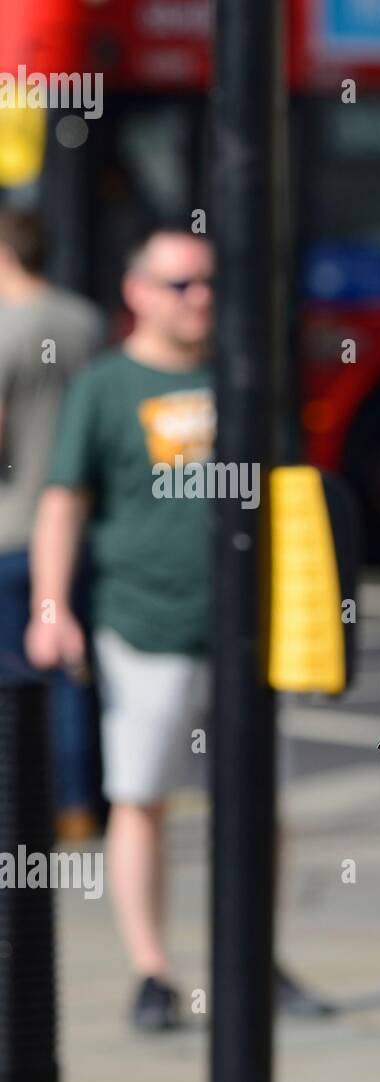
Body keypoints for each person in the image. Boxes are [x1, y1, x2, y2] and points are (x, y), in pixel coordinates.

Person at [26, 224, 333, 1030]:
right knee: (141, 799)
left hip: (249, 634)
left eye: (208, 282)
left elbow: (290, 494)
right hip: (143, 623)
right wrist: (51, 607)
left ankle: (255, 958)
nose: (200, 298)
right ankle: (153, 971)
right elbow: (63, 499)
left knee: (257, 802)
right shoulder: (105, 385)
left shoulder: (245, 375)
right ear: (136, 294)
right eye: (180, 284)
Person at [0, 209, 104, 839]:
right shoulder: (84, 319)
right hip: (81, 525)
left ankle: (24, 813)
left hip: (14, 527)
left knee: (16, 685)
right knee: (72, 671)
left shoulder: (8, 325)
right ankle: (77, 803)